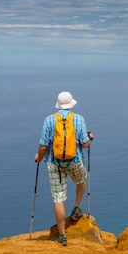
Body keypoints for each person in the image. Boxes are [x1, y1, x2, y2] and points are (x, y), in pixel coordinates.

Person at [34, 91, 94, 246]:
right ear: (71, 103)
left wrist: (39, 157)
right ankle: (76, 209)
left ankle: (62, 236)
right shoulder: (79, 119)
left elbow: (43, 145)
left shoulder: (49, 120)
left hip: (55, 164)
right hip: (75, 161)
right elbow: (85, 144)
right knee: (82, 180)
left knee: (58, 198)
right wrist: (91, 138)